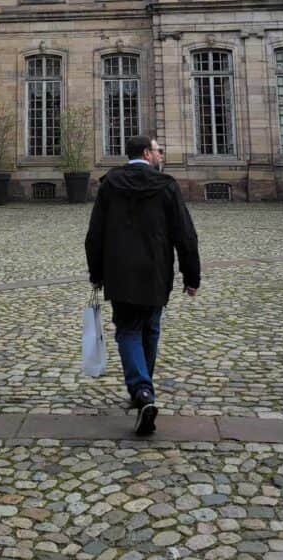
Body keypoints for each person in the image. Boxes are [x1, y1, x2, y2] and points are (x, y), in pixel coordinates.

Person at [85, 134, 200, 435]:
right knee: (148, 328)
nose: (162, 154)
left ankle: (143, 391)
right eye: (159, 150)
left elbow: (94, 234)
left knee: (130, 330)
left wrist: (96, 273)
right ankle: (143, 390)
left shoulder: (111, 184)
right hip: (156, 272)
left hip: (120, 272)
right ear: (147, 154)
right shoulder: (166, 186)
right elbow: (185, 235)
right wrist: (192, 276)